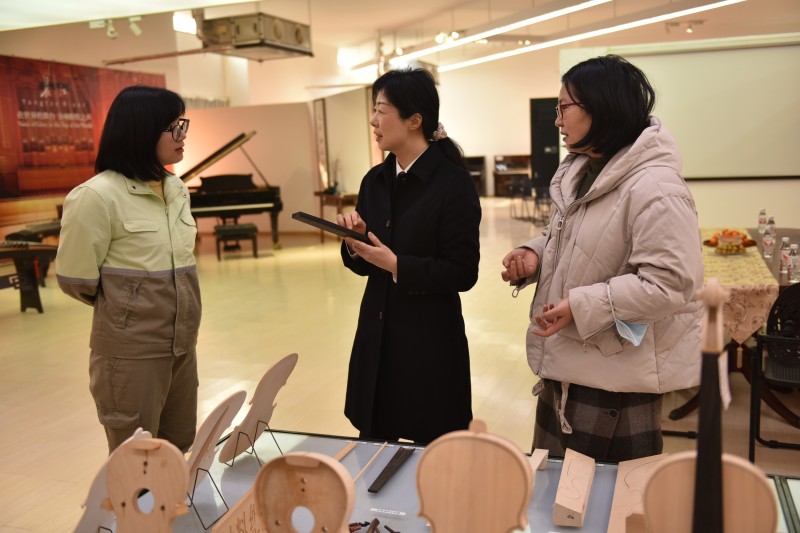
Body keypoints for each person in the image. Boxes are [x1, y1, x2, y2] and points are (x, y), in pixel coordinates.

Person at [501, 55, 704, 461]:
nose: (557, 120)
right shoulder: (584, 170)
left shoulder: (655, 187)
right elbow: (575, 237)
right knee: (553, 491)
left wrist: (580, 305)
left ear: (601, 107)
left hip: (615, 382)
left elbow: (669, 285)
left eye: (564, 107)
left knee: (605, 497)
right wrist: (535, 253)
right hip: (570, 365)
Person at [336, 68, 481, 444]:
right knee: (374, 453)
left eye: (381, 110)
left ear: (414, 120)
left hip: (428, 347)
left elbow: (463, 271)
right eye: (373, 109)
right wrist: (354, 242)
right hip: (377, 341)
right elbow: (364, 265)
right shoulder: (374, 180)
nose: (373, 120)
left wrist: (397, 265)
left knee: (431, 460)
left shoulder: (453, 184)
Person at [56, 86, 200, 454]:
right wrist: (129, 307)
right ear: (142, 130)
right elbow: (76, 280)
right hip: (131, 353)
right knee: (135, 459)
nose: (183, 135)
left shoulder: (176, 188)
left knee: (177, 447)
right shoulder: (96, 196)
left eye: (183, 124)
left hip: (182, 344)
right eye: (174, 127)